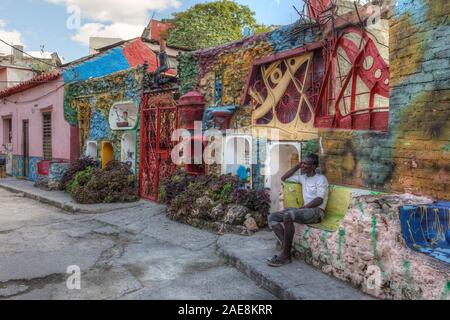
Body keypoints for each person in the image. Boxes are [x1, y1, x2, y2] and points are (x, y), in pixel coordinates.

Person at [266, 153, 328, 267]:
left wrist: (304, 207)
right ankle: (287, 251)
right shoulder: (303, 178)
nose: (303, 166)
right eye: (302, 163)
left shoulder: (321, 179)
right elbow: (284, 178)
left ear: (314, 166)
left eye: (306, 164)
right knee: (272, 217)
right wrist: (297, 166)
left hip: (316, 212)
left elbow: (319, 199)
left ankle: (285, 255)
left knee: (288, 215)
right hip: (305, 211)